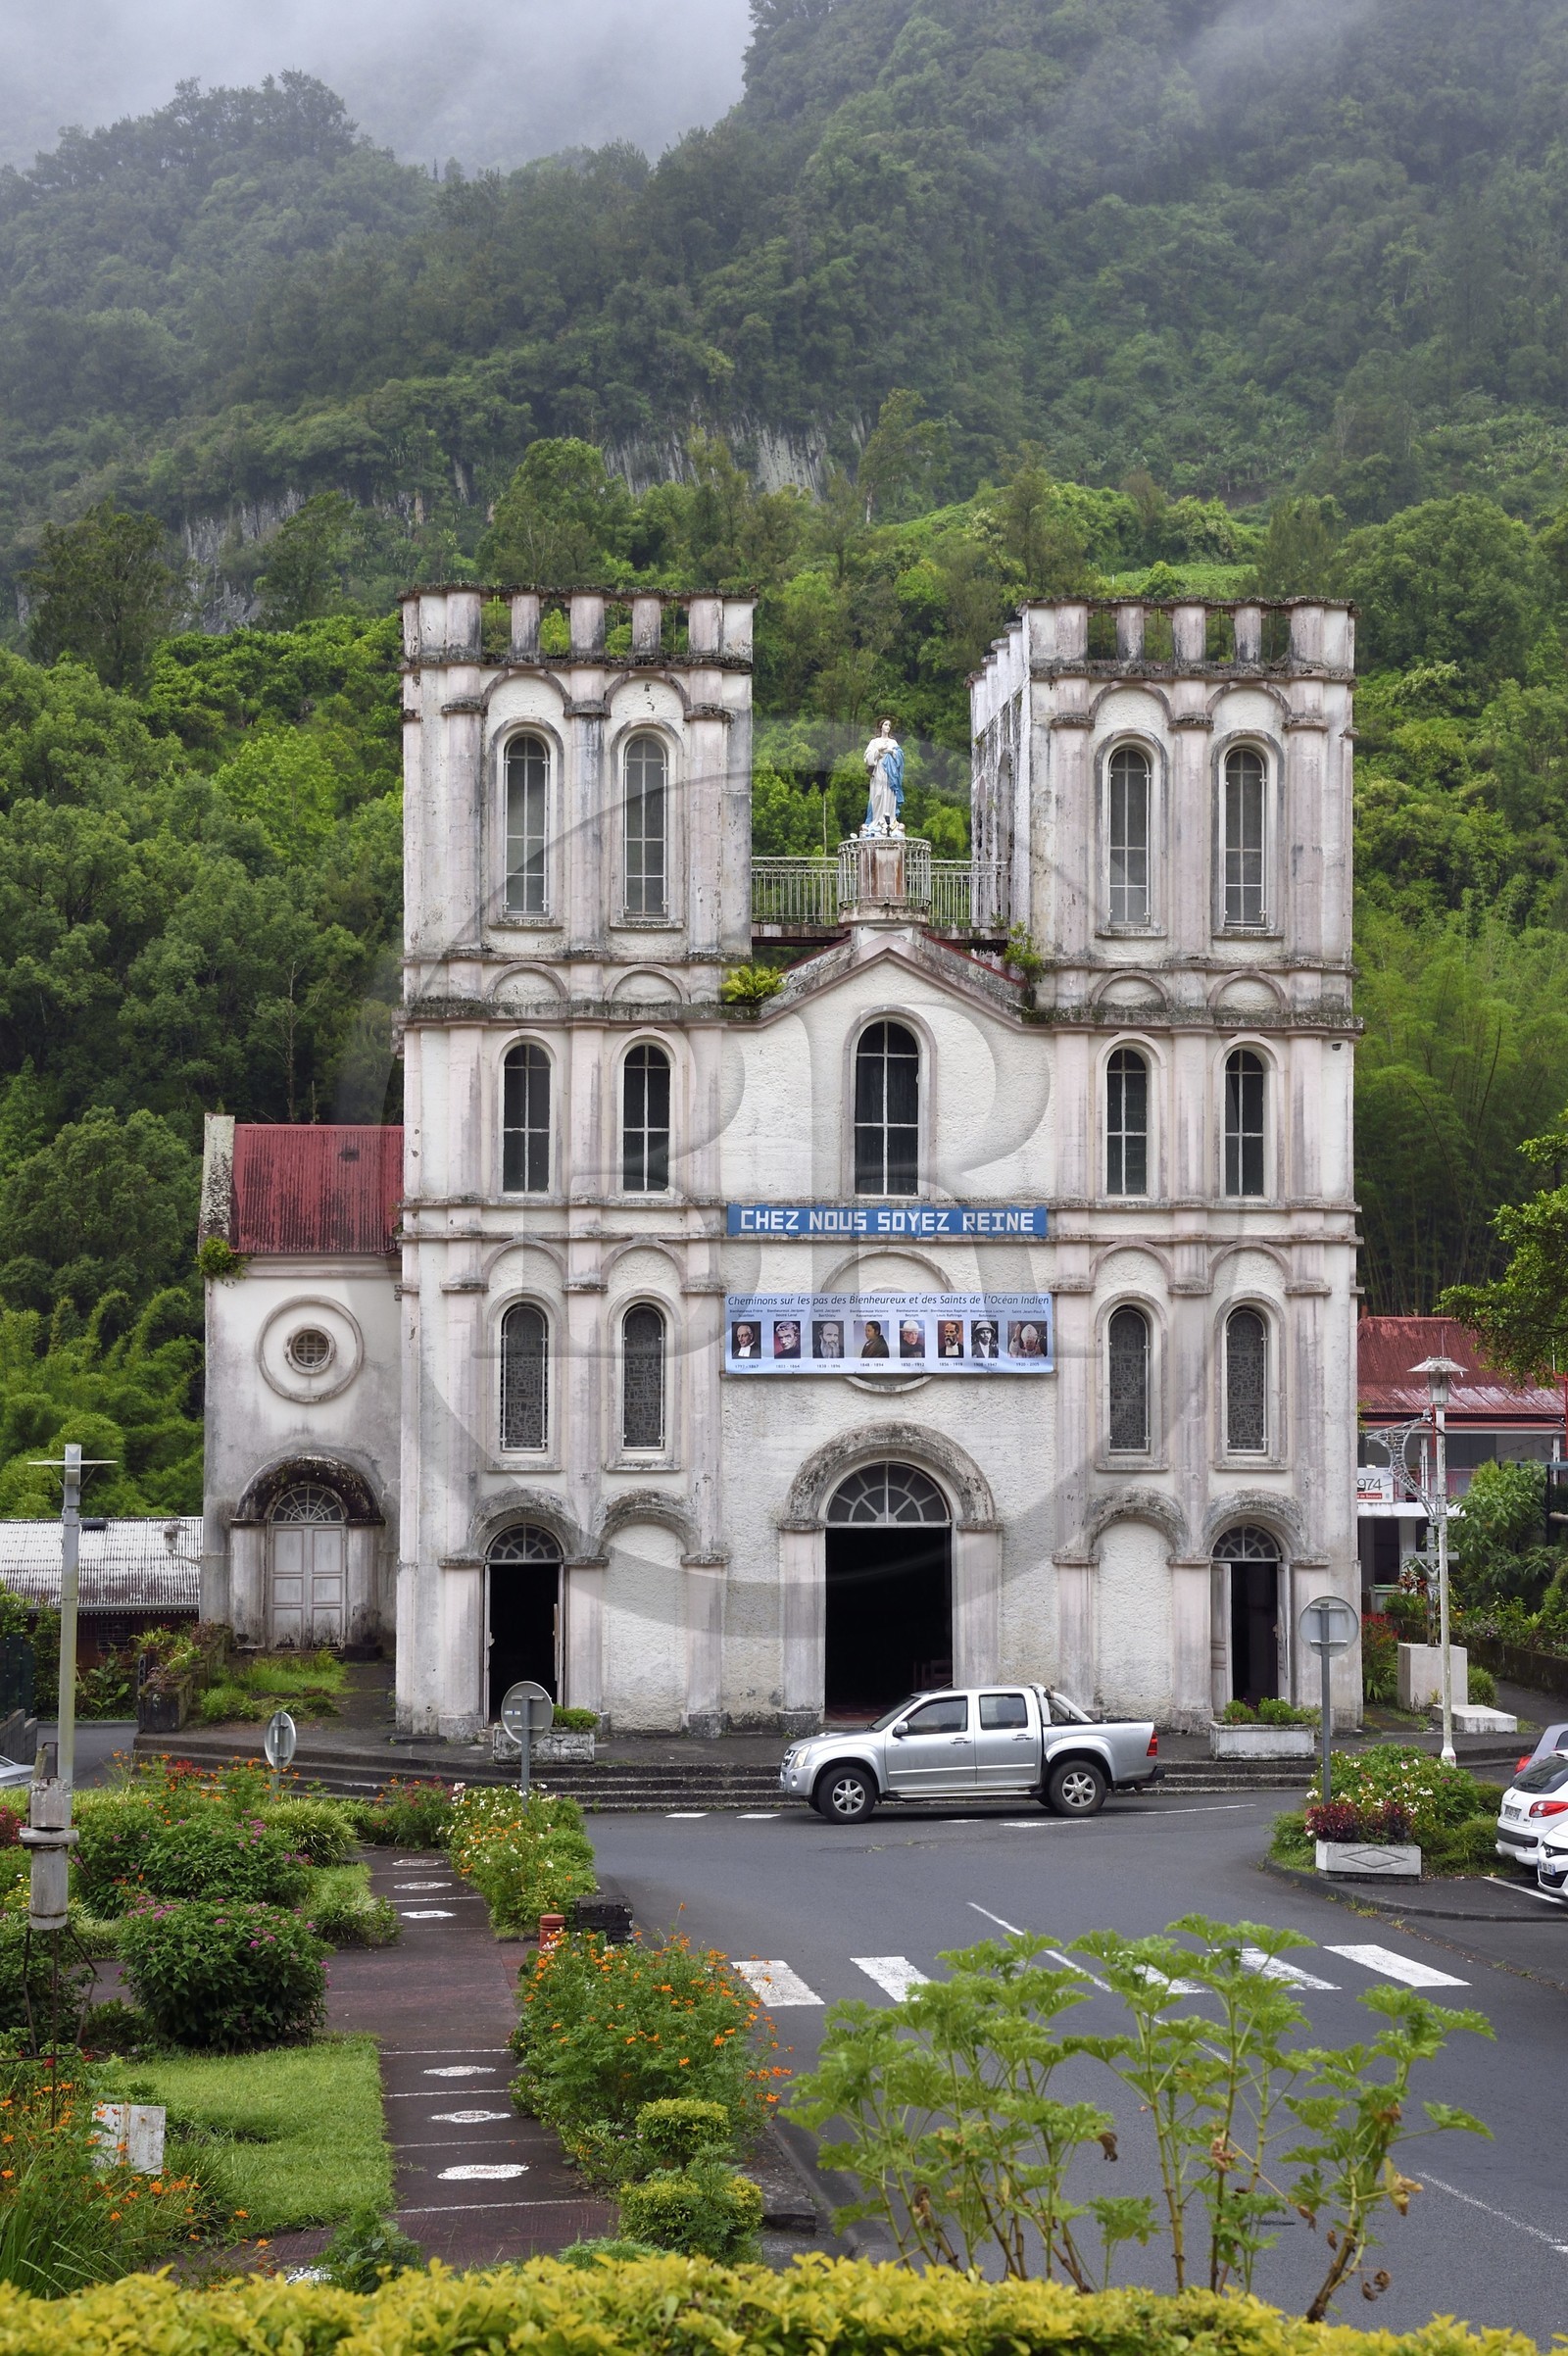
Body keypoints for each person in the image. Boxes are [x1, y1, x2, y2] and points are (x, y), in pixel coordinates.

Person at [861, 716, 906, 838]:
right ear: (881, 727)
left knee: (889, 795)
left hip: (890, 774)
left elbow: (900, 757)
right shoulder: (874, 742)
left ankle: (890, 821)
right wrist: (878, 751)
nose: (887, 727)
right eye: (885, 725)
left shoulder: (893, 743)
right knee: (878, 795)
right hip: (878, 770)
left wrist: (892, 752)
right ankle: (876, 820)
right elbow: (867, 758)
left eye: (889, 726)